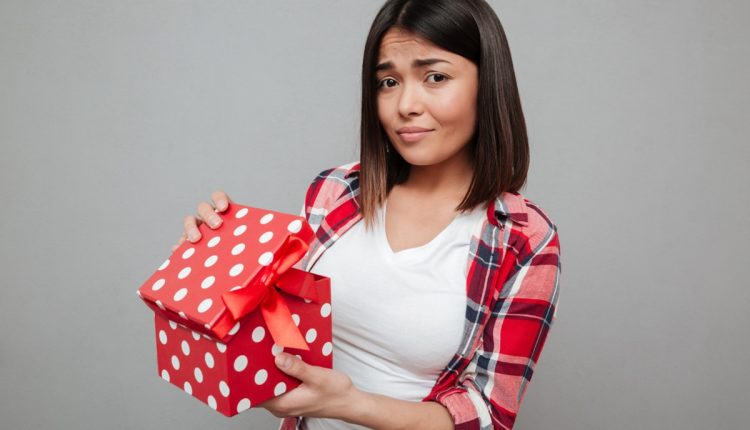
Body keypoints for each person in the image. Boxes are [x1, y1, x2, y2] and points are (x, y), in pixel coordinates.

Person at [172, 0, 561, 428]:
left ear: (488, 84)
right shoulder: (335, 192)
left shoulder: (524, 238)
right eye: (388, 81)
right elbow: (273, 318)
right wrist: (216, 259)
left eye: (435, 77)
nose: (405, 105)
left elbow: (489, 416)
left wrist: (348, 404)